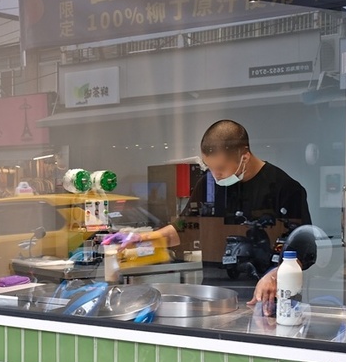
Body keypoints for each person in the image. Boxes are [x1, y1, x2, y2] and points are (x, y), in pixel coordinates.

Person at [104, 120, 311, 313]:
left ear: (244, 157)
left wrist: (274, 275)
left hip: (269, 303)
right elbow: (183, 229)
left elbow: (304, 251)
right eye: (209, 167)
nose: (214, 175)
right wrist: (141, 238)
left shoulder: (286, 189)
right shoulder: (208, 184)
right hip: (216, 298)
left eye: (220, 169)